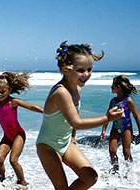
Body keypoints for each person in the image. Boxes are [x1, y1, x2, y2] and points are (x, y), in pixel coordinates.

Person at [36, 41, 124, 190]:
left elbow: (73, 117)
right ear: (66, 69)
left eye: (89, 69)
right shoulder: (61, 92)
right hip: (48, 146)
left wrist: (73, 137)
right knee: (61, 187)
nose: (87, 74)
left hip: (66, 142)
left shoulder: (77, 90)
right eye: (81, 70)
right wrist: (106, 118)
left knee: (90, 177)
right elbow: (76, 122)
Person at [0, 72, 43, 186]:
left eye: (3, 92)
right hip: (7, 136)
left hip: (18, 135)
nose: (0, 94)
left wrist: (45, 111)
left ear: (10, 90)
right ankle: (1, 182)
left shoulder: (13, 102)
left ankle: (22, 183)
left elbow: (30, 106)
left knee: (13, 160)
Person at [101, 75, 140, 173]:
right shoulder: (113, 101)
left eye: (113, 85)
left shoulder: (128, 101)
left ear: (119, 87)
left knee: (126, 152)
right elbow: (108, 116)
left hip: (126, 128)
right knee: (112, 150)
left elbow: (136, 116)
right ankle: (115, 170)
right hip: (115, 128)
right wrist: (104, 130)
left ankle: (129, 171)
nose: (111, 87)